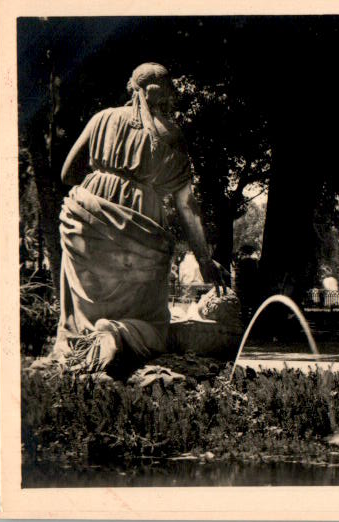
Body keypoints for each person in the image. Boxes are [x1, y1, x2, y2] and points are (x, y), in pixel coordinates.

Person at [48, 62, 223, 376]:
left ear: (132, 88)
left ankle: (78, 340)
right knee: (153, 326)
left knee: (80, 289)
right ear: (167, 96)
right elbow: (187, 206)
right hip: (141, 222)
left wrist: (102, 182)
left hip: (87, 217)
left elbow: (67, 173)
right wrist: (205, 261)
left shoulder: (102, 118)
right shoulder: (170, 135)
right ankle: (116, 334)